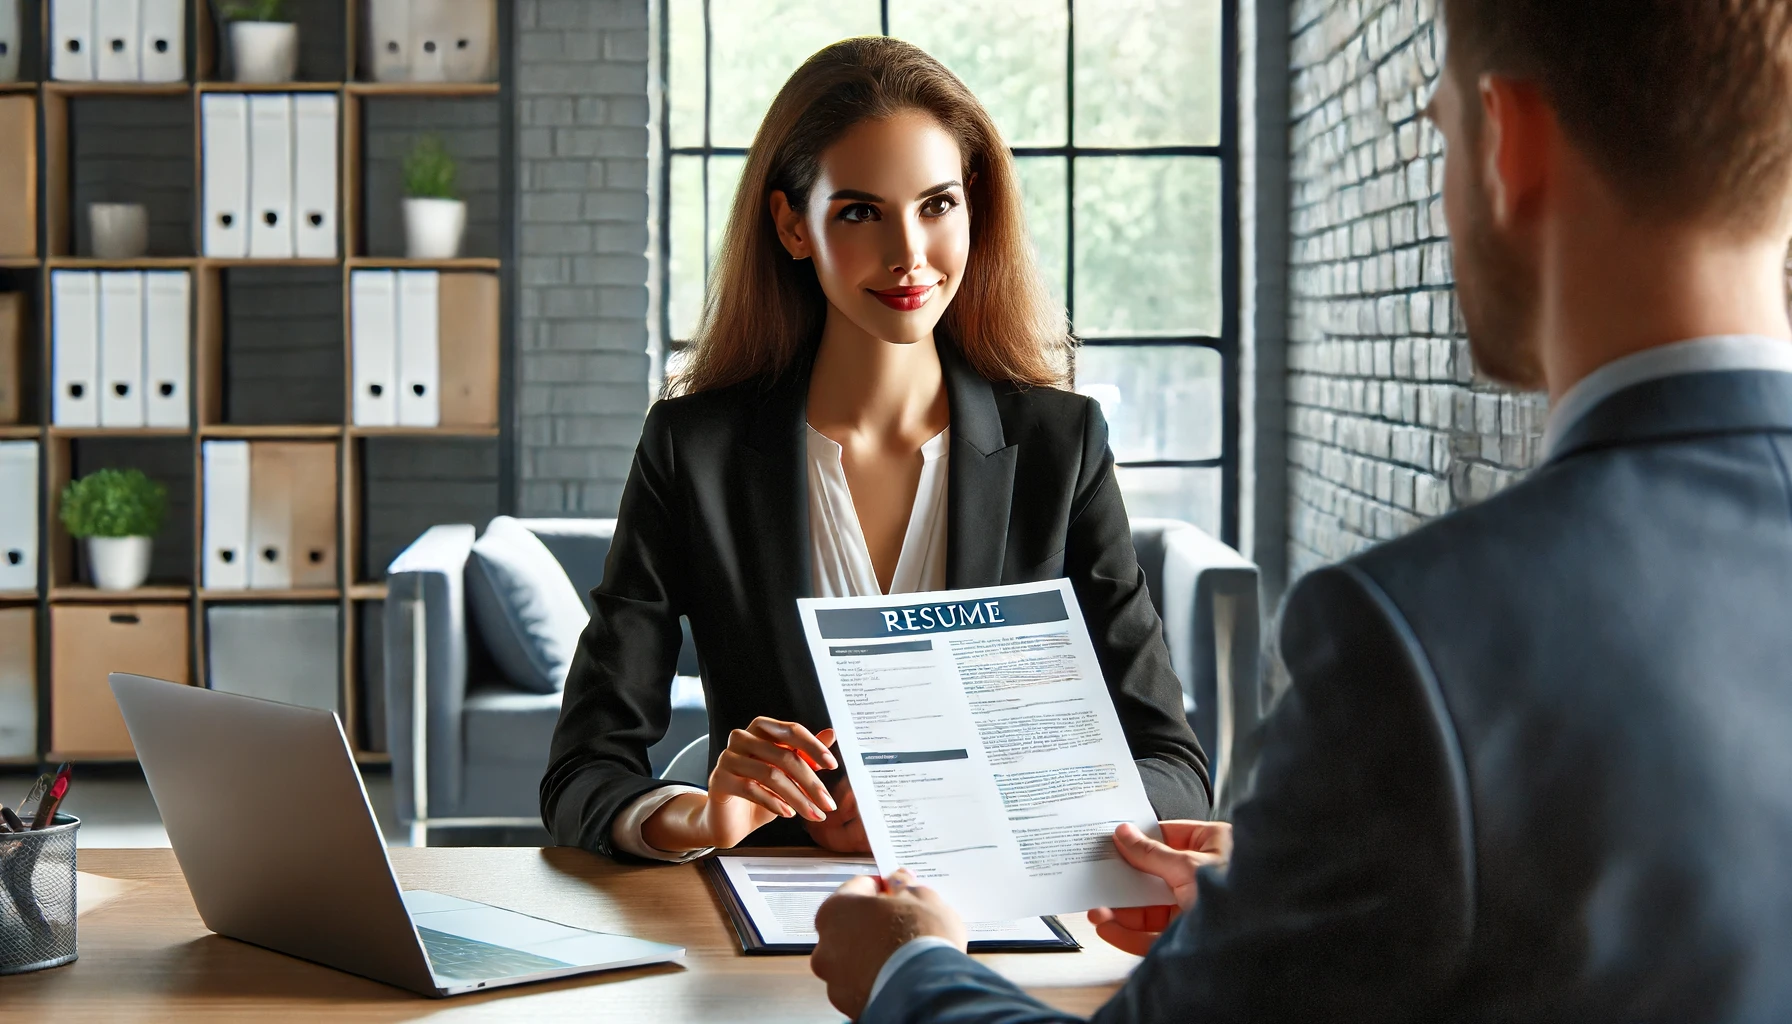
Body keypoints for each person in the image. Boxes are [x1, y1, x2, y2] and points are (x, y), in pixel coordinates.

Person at [811, 0, 1792, 1020]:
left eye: (1440, 134)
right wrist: (1293, 893)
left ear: (1508, 143)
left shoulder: (1418, 645)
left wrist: (907, 967)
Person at [540, 36, 1211, 863]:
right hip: (766, 943)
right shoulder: (694, 452)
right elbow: (582, 768)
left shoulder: (1060, 447)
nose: (910, 255)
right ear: (792, 225)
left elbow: (1174, 766)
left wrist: (974, 805)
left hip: (1001, 935)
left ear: (974, 208)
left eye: (937, 206)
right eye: (860, 212)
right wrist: (700, 817)